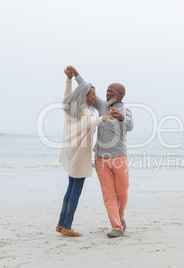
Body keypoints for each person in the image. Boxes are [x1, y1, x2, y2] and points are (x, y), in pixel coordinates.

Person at [67, 66, 134, 237]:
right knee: (109, 195)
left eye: (110, 92)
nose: (107, 95)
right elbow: (87, 89)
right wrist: (76, 75)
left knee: (123, 193)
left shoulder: (126, 111)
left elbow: (130, 126)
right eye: (107, 92)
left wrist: (120, 118)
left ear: (120, 96)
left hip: (119, 158)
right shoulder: (103, 106)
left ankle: (120, 218)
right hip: (101, 159)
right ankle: (117, 227)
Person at [56, 68, 112, 237]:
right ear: (85, 96)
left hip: (69, 152)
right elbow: (90, 124)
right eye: (92, 94)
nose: (95, 97)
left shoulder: (70, 106)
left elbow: (67, 95)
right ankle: (67, 225)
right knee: (75, 191)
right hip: (79, 154)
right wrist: (106, 117)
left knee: (70, 188)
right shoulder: (84, 112)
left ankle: (60, 224)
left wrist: (69, 80)